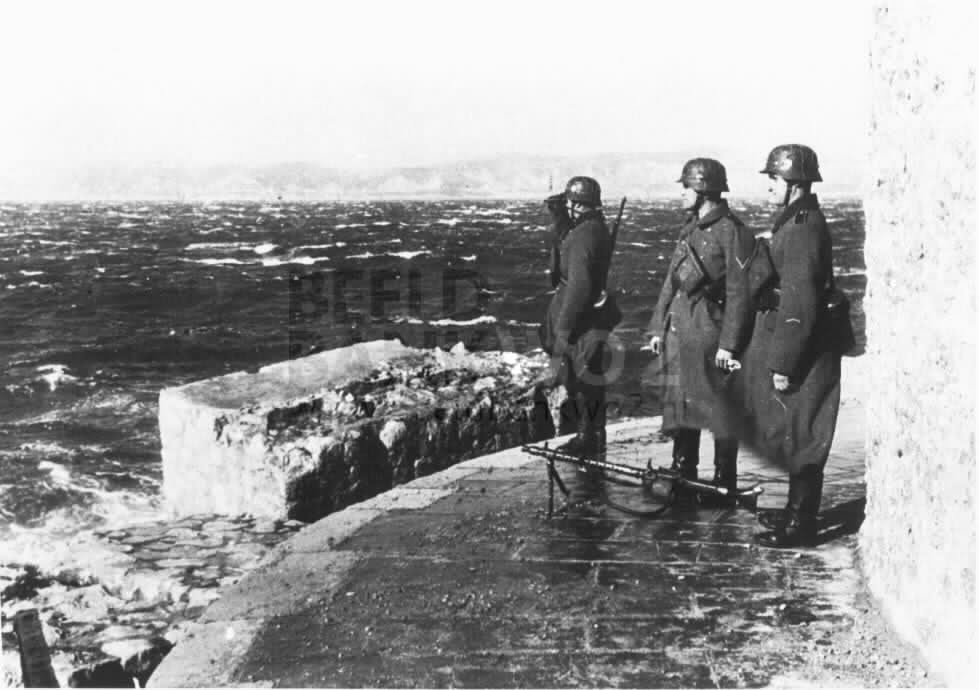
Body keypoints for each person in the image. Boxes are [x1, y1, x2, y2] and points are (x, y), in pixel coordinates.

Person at [743, 144, 850, 548]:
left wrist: (784, 362)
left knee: (806, 431)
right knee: (794, 429)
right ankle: (794, 512)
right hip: (801, 341)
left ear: (793, 182)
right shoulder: (794, 222)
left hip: (806, 346)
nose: (768, 187)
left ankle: (801, 525)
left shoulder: (803, 226)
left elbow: (801, 301)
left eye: (773, 179)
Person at [646, 158, 755, 502]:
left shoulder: (731, 231)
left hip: (709, 332)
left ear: (704, 189)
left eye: (686, 188)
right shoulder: (691, 228)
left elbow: (740, 292)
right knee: (682, 405)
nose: (681, 194)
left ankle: (725, 482)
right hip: (682, 330)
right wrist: (656, 327)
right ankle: (684, 472)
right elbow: (671, 281)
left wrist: (729, 345)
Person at [540, 176, 618, 458]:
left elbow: (579, 287)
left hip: (582, 319)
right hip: (590, 316)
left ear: (575, 204)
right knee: (588, 378)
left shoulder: (584, 236)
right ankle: (591, 437)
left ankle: (589, 438)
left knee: (584, 379)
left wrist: (563, 329)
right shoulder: (592, 229)